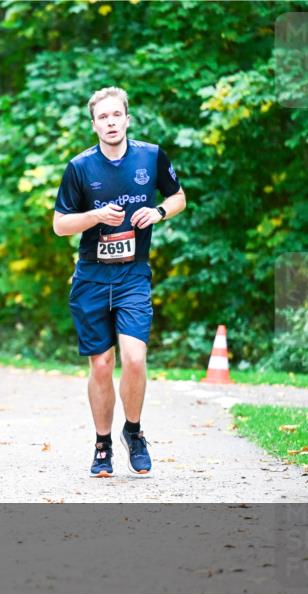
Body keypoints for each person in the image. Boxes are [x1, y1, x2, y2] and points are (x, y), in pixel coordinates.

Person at [52, 86, 186, 478]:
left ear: (127, 118)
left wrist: (158, 212)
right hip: (92, 277)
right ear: (94, 124)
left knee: (134, 358)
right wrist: (95, 217)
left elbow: (178, 196)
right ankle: (102, 444)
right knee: (101, 365)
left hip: (132, 274)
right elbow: (60, 225)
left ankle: (134, 431)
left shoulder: (151, 155)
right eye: (103, 117)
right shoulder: (80, 167)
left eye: (116, 115)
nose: (111, 123)